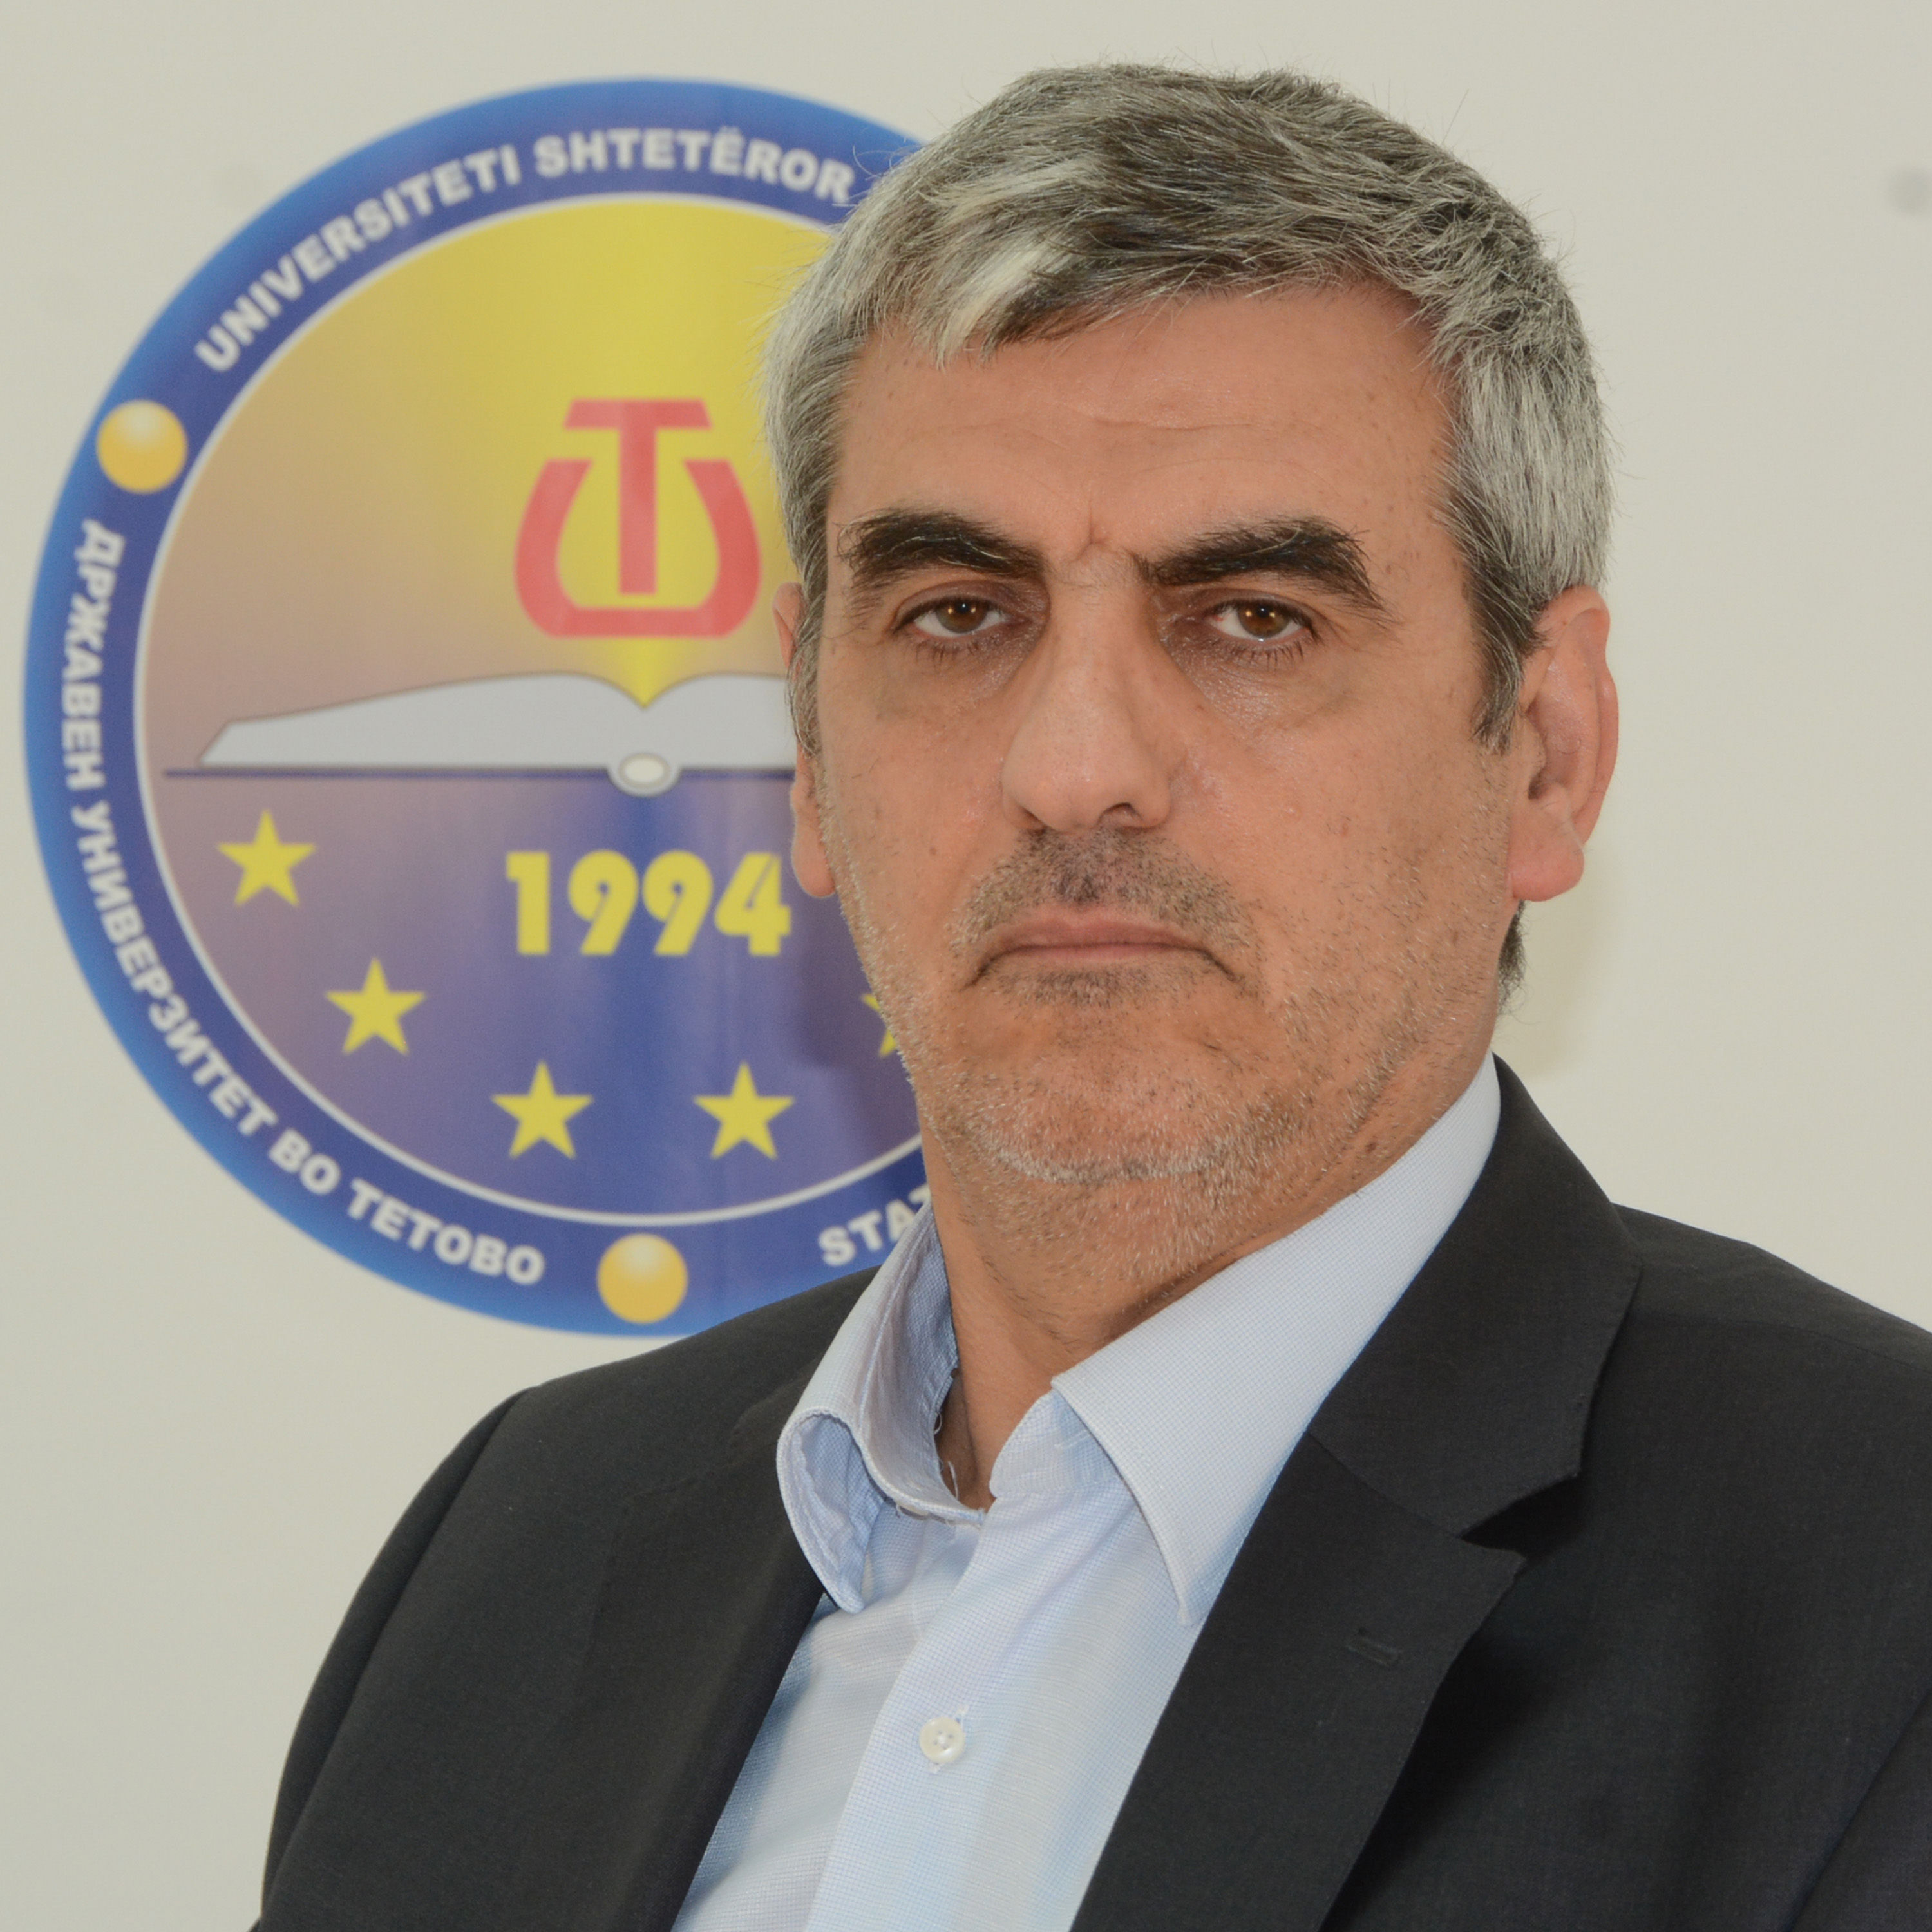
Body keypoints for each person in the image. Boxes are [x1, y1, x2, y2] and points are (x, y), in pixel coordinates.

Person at [253, 66, 1932, 1932]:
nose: (1075, 769)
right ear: (808, 746)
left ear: (1544, 751)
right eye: (959, 614)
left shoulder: (1879, 1598)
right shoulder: (515, 1548)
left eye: (1254, 619)